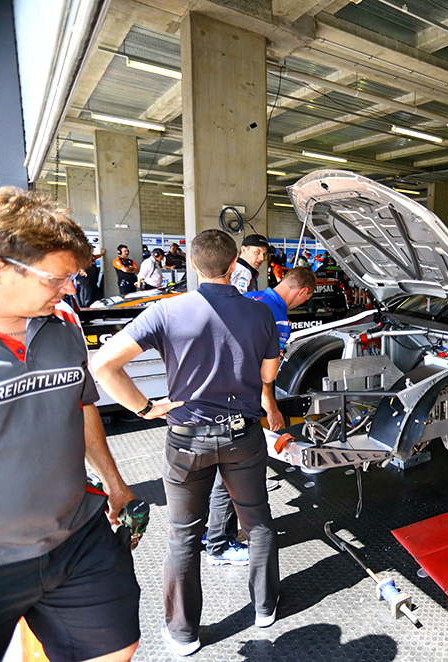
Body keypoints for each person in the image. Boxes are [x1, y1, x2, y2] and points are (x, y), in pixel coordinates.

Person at [92, 229, 282, 656]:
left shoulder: (166, 310)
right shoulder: (260, 313)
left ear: (193, 266)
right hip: (243, 435)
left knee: (182, 536)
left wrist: (144, 408)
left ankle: (183, 635)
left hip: (186, 440)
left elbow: (103, 364)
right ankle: (265, 608)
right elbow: (269, 376)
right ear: (234, 265)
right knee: (257, 521)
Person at [0, 187, 140, 662]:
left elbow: (81, 405)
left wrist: (114, 481)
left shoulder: (62, 328)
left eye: (74, 277)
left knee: (116, 646)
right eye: (57, 278)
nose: (70, 289)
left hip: (77, 537)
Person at [202, 267, 315, 564]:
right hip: (240, 404)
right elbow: (266, 373)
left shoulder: (248, 297)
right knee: (235, 473)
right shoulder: (276, 317)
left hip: (212, 399)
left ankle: (213, 530)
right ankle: (219, 543)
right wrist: (271, 407)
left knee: (218, 471)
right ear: (302, 292)